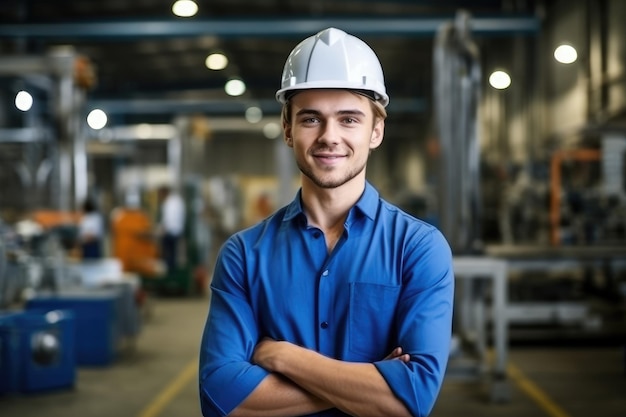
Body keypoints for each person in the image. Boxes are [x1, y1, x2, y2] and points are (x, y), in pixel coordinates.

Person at [199, 27, 454, 417]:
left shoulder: (417, 248)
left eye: (349, 119)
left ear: (376, 131)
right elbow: (220, 397)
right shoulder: (244, 255)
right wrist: (372, 382)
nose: (329, 137)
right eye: (311, 119)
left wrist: (282, 356)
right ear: (288, 130)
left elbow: (412, 400)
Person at [157, 185, 186, 274]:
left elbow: (168, 219)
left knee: (167, 252)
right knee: (173, 253)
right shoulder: (177, 200)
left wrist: (161, 230)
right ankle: (171, 269)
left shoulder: (169, 203)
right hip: (177, 231)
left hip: (171, 232)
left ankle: (168, 272)